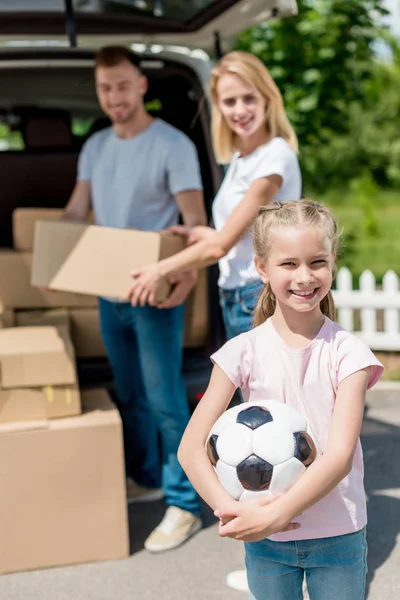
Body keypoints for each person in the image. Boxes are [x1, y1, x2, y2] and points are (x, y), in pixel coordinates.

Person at [178, 200, 384, 600]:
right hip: (264, 541)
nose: (305, 277)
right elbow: (190, 449)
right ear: (261, 268)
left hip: (337, 534)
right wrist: (234, 512)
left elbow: (339, 458)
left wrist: (277, 514)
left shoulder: (349, 353)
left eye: (317, 262)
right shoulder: (241, 351)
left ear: (332, 263)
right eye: (289, 264)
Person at [63, 46, 207, 553]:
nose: (114, 96)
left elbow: (194, 225)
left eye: (123, 85)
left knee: (166, 398)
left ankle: (185, 504)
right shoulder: (96, 147)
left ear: (141, 85)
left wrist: (183, 279)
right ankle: (146, 477)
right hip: (109, 289)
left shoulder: (172, 145)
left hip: (155, 290)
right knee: (130, 393)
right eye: (105, 88)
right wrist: (51, 259)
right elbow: (77, 210)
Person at [127, 50, 301, 345]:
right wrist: (200, 233)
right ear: (218, 106)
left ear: (267, 98)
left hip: (259, 297)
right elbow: (241, 237)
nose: (240, 110)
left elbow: (220, 247)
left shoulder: (275, 157)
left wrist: (159, 270)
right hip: (237, 295)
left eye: (249, 98)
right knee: (254, 392)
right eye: (229, 101)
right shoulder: (241, 158)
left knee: (268, 392)